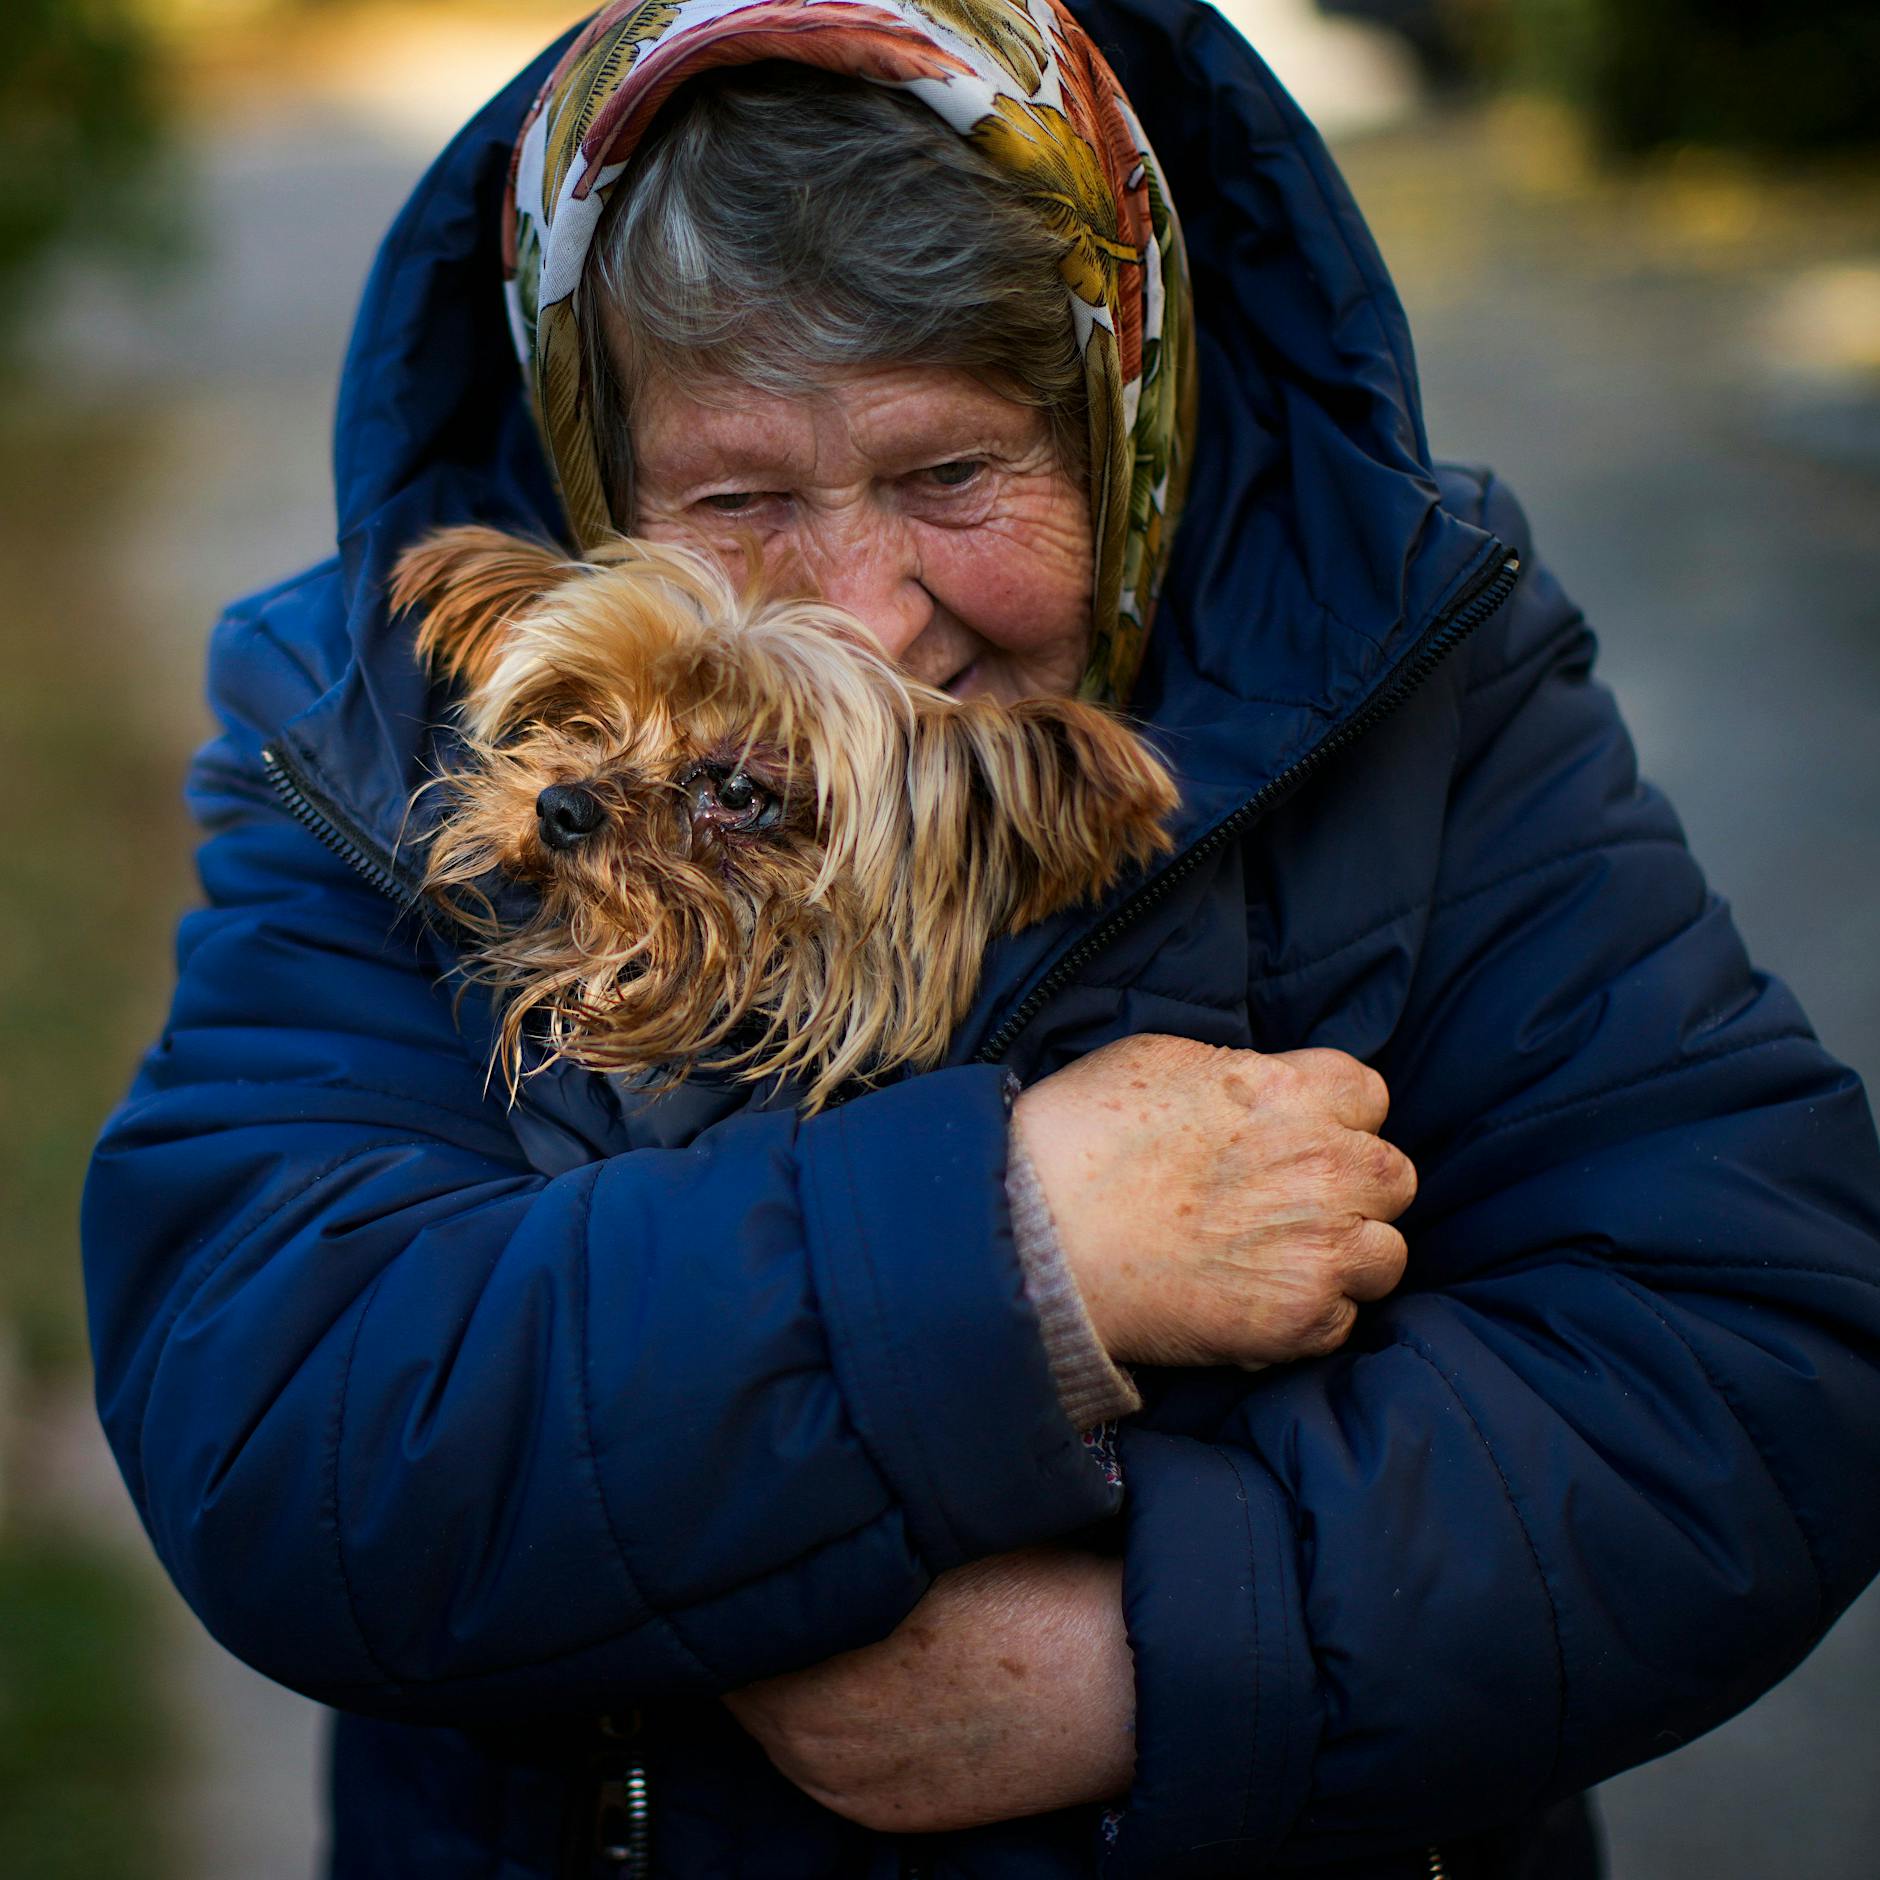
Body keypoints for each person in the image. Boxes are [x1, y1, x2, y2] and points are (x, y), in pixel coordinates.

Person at [80, 1, 1880, 1876]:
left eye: (951, 477)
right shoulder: (358, 729)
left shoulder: (1422, 659)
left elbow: (1755, 1370)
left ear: (1125, 417)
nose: (860, 618)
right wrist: (1022, 1252)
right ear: (594, 473)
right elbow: (293, 1436)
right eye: (738, 499)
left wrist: (1166, 1661)